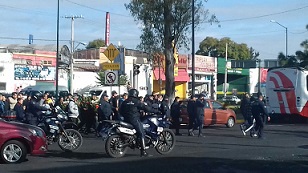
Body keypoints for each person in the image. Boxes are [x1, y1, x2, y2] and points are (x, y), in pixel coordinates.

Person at [120, 89, 159, 157]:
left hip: (126, 120)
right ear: (136, 94)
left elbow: (120, 111)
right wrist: (155, 111)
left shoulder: (125, 102)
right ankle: (143, 151)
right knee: (141, 133)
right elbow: (146, 108)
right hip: (134, 119)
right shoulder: (137, 101)